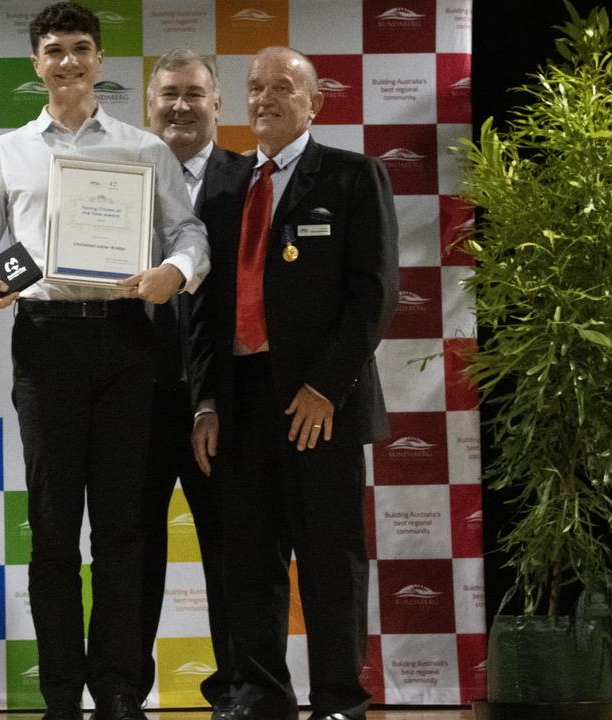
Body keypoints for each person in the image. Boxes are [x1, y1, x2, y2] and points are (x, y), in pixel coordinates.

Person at [0, 4, 209, 720]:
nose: (68, 62)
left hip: (128, 341)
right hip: (45, 342)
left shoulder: (143, 149)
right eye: (55, 50)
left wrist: (174, 275)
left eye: (81, 49)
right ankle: (62, 693)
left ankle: (119, 688)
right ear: (36, 64)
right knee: (56, 530)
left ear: (101, 61)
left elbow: (191, 235)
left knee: (125, 527)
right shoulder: (4, 153)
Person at [188, 47, 399, 720]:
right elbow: (203, 308)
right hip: (241, 401)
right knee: (249, 563)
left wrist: (324, 388)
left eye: (284, 87)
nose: (266, 98)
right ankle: (261, 699)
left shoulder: (351, 177)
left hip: (319, 406)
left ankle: (339, 701)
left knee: (331, 561)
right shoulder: (221, 190)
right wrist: (207, 400)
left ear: (315, 103)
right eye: (255, 88)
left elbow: (374, 297)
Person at [139, 48, 248, 711]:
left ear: (218, 104)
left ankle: (236, 688)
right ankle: (123, 691)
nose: (181, 105)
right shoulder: (121, 174)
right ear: (149, 105)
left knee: (234, 553)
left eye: (194, 94)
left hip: (226, 403)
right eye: (168, 94)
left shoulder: (250, 177)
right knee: (132, 556)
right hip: (139, 400)